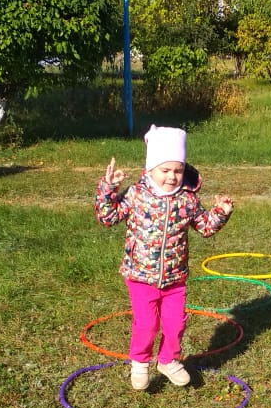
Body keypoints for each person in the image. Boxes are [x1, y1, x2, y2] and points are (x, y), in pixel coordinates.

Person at [94, 125, 233, 390]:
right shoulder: (136, 195)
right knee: (147, 324)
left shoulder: (188, 200)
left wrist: (221, 212)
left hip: (174, 278)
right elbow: (107, 217)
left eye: (178, 170)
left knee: (175, 324)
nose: (172, 176)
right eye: (165, 170)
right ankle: (140, 362)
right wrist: (107, 189)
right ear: (150, 169)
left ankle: (168, 360)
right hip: (140, 275)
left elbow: (205, 227)